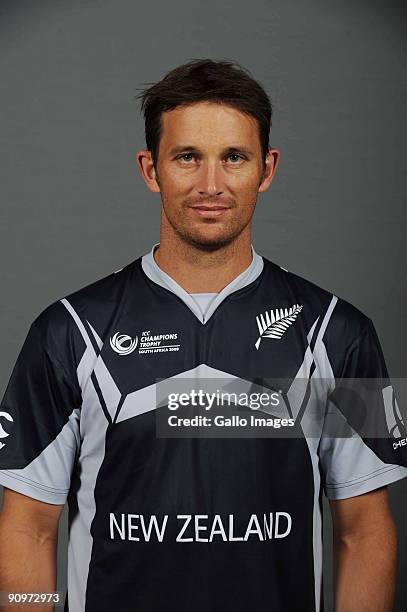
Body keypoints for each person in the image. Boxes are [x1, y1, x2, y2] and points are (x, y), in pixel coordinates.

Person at [0, 58, 406, 612]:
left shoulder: (345, 331)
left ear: (267, 168)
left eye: (234, 157)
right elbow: (28, 527)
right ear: (151, 169)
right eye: (187, 157)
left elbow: (366, 530)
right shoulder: (66, 330)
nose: (211, 185)